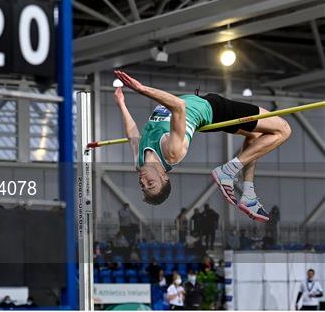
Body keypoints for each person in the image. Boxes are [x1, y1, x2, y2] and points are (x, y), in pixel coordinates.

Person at [113, 70, 291, 221]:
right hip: (214, 110)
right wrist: (141, 89)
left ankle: (248, 194)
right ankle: (228, 171)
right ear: (163, 176)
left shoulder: (139, 162)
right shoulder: (171, 152)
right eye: (150, 183)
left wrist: (121, 104)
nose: (143, 181)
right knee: (283, 130)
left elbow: (133, 133)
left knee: (254, 136)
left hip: (200, 113)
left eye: (143, 186)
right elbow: (178, 106)